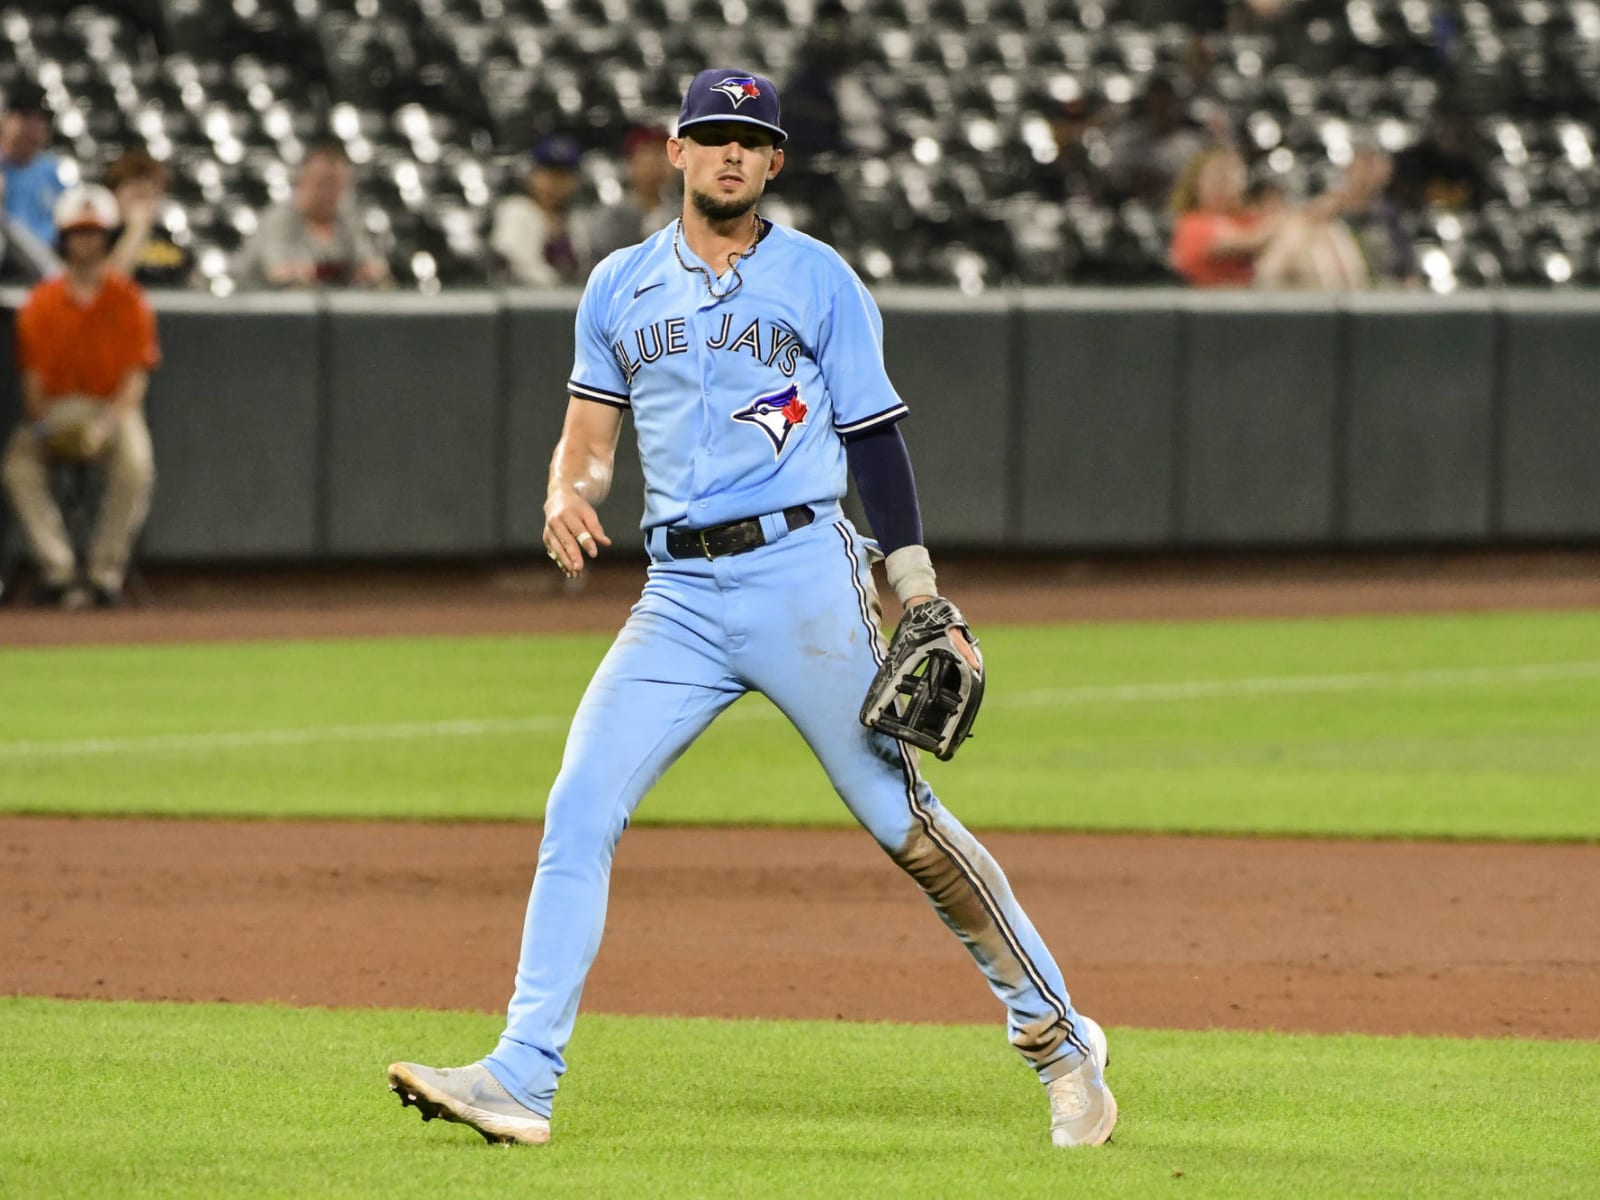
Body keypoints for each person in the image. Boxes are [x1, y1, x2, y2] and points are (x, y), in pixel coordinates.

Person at [386, 67, 1116, 1151]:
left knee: (901, 825)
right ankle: (521, 1076)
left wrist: (916, 590)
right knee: (578, 804)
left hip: (802, 577)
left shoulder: (819, 281)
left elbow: (874, 440)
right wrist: (563, 497)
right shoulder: (618, 287)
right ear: (674, 152)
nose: (730, 152)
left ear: (774, 162)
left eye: (750, 138)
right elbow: (589, 444)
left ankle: (1061, 1045)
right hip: (676, 592)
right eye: (710, 134)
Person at [1, 185, 158, 608]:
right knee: (18, 465)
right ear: (63, 238)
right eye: (77, 232)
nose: (85, 241)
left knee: (135, 462)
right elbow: (31, 383)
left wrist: (106, 426)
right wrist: (46, 428)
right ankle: (58, 571)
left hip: (112, 411)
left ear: (107, 238)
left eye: (93, 233)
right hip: (57, 410)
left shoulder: (129, 300)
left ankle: (105, 574)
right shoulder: (41, 303)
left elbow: (135, 380)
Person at [1169, 146, 1366, 289]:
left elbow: (1292, 221)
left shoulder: (1244, 218)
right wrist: (1296, 218)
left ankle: (1352, 302)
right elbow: (1251, 242)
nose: (1226, 182)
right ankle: (1331, 308)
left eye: (1233, 175)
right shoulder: (1192, 224)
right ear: (1196, 184)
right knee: (1293, 233)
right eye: (1218, 175)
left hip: (1260, 296)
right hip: (1221, 306)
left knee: (1326, 229)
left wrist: (1332, 201)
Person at [233, 140, 389, 288]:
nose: (329, 193)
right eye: (323, 183)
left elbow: (374, 269)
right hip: (258, 309)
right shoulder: (280, 218)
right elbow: (279, 274)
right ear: (304, 181)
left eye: (337, 185)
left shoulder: (346, 219)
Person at [490, 134, 594, 286]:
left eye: (564, 175)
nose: (555, 183)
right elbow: (519, 266)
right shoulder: (516, 211)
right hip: (522, 303)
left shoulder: (579, 220)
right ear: (532, 175)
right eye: (548, 173)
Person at [104, 149, 195, 287]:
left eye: (147, 196)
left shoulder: (173, 240)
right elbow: (108, 285)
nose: (141, 205)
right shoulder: (100, 238)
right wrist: (137, 229)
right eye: (135, 196)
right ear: (114, 195)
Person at [588, 126, 678, 263]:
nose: (656, 162)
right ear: (630, 163)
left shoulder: (682, 214)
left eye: (662, 154)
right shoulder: (611, 217)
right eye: (648, 153)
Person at [0, 82, 66, 247]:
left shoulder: (50, 171)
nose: (33, 126)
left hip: (46, 258)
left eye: (41, 119)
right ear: (6, 119)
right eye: (26, 116)